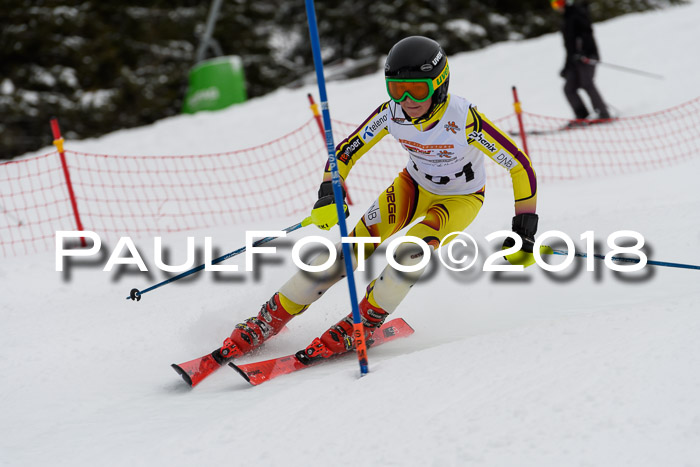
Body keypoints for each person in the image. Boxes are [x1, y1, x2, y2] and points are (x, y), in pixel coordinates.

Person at [217, 36, 539, 364]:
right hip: (412, 188)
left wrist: (524, 230)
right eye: (397, 89)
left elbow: (520, 166)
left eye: (418, 89)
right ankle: (268, 319)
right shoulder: (391, 114)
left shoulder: (465, 120)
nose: (407, 100)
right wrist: (329, 193)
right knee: (348, 250)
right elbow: (344, 152)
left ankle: (366, 322)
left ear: (440, 85)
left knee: (409, 255)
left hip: (460, 199)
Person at [552, 0, 611, 121]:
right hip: (574, 60)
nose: (557, 7)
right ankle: (582, 115)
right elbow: (570, 47)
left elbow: (586, 35)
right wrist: (566, 66)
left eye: (558, 3)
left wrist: (584, 53)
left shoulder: (577, 15)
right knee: (569, 88)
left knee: (587, 84)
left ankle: (603, 113)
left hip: (586, 57)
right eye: (554, 4)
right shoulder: (567, 19)